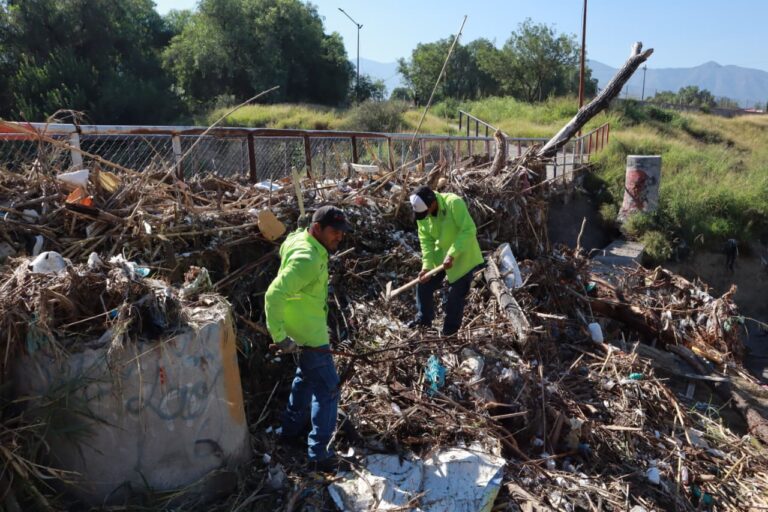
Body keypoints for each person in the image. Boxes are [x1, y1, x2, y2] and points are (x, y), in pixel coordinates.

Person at [265, 205, 351, 472]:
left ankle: (289, 433)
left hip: (301, 328)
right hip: (309, 336)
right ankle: (319, 454)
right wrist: (279, 336)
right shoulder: (307, 259)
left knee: (304, 380)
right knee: (328, 389)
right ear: (317, 229)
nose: (339, 237)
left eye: (342, 232)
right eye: (334, 232)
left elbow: (290, 240)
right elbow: (273, 295)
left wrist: (302, 227)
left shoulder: (299, 239)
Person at [407, 185, 484, 336]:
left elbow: (469, 229)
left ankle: (449, 333)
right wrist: (427, 267)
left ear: (433, 203)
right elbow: (426, 241)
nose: (424, 216)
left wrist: (453, 254)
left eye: (425, 212)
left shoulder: (453, 203)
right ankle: (424, 320)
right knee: (423, 285)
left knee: (455, 296)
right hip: (440, 256)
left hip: (463, 255)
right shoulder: (423, 215)